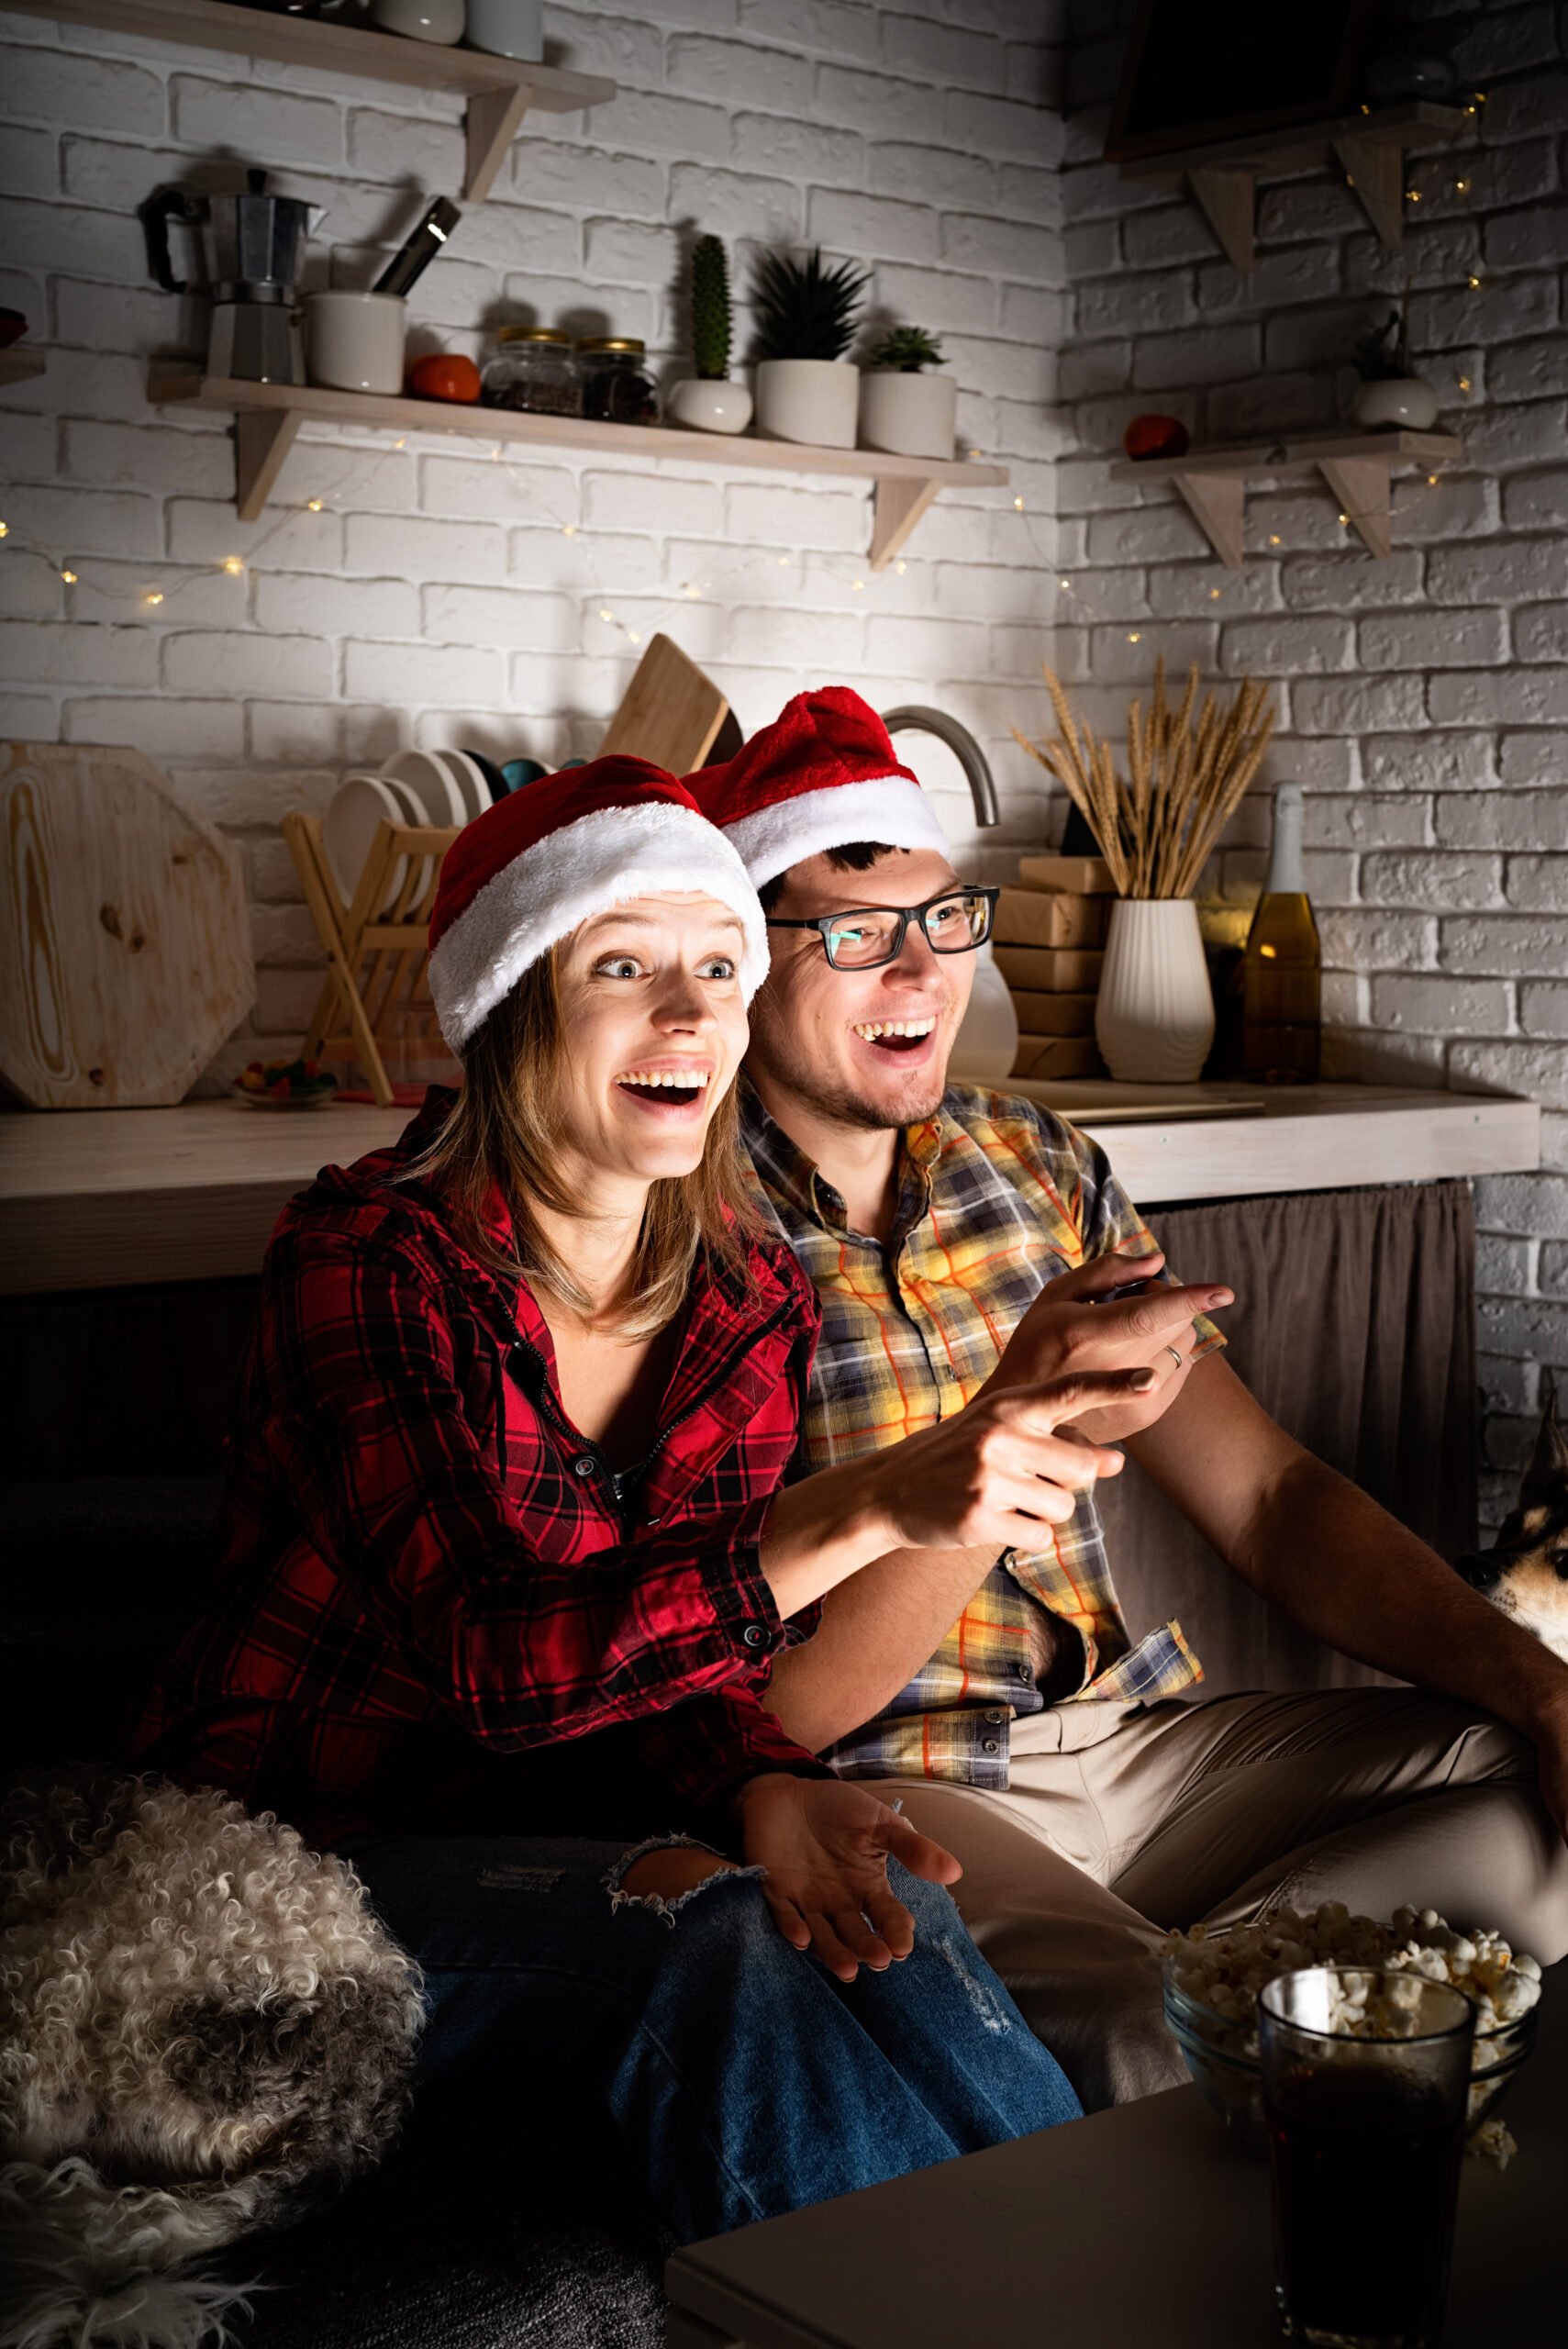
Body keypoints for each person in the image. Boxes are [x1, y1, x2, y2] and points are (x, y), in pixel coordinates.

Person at [134, 755, 1098, 2245]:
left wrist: (760, 1783)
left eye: (718, 965)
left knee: (874, 1915)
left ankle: (1080, 2282)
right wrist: (871, 1507)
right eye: (627, 967)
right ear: (516, 1006)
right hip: (301, 1865)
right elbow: (494, 1664)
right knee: (713, 1939)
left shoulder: (741, 1292)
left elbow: (671, 1666)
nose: (693, 1014)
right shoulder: (370, 1264)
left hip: (573, 1825)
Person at [690, 688, 1568, 2111]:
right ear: (735, 957)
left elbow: (1272, 1500)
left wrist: (1540, 1685)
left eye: (941, 919)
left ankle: (1240, 2010)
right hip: (888, 1785)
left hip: (1133, 1742)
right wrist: (1013, 1435)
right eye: (853, 934)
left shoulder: (1030, 1160)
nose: (917, 975)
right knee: (1152, 2040)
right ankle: (1236, 2028)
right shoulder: (679, 1227)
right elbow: (764, 1716)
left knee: (1530, 1773)